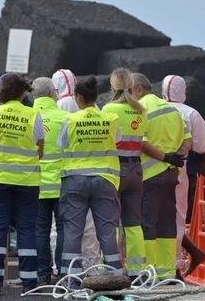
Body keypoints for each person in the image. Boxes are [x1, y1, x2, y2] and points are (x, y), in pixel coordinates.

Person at [57, 76, 124, 283]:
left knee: (73, 232)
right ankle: (115, 277)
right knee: (106, 232)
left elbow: (62, 144)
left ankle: (72, 279)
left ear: (78, 97)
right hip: (105, 180)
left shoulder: (71, 119)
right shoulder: (111, 119)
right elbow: (118, 141)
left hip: (75, 181)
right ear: (95, 97)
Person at [0, 73, 44, 296]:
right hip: (27, 181)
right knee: (26, 230)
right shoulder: (32, 114)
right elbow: (40, 148)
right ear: (21, 92)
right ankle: (29, 281)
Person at [131, 73, 191, 280]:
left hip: (150, 175)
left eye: (130, 92)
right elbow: (187, 139)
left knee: (147, 223)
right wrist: (177, 159)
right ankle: (167, 272)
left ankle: (148, 271)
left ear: (138, 89)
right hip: (171, 175)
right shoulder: (171, 110)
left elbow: (141, 143)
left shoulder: (140, 110)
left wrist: (165, 157)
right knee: (167, 222)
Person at [52, 68, 101, 269]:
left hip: (66, 173)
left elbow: (59, 141)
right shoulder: (94, 107)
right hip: (96, 171)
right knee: (90, 227)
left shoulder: (58, 106)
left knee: (62, 226)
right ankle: (92, 267)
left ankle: (62, 267)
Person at [102, 69, 148, 278]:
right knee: (134, 224)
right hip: (136, 168)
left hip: (115, 170)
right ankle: (137, 270)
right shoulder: (141, 110)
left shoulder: (109, 109)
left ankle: (114, 269)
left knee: (112, 223)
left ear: (113, 87)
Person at [161, 75, 205, 272]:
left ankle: (156, 263)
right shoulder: (191, 113)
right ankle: (175, 267)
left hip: (150, 167)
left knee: (153, 217)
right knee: (178, 217)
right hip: (180, 168)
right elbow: (202, 146)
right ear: (183, 91)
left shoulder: (153, 110)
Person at [31, 77, 67, 286]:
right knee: (63, 228)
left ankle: (43, 273)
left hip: (35, 182)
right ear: (53, 93)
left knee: (40, 229)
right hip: (62, 181)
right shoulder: (65, 118)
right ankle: (62, 271)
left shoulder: (29, 117)